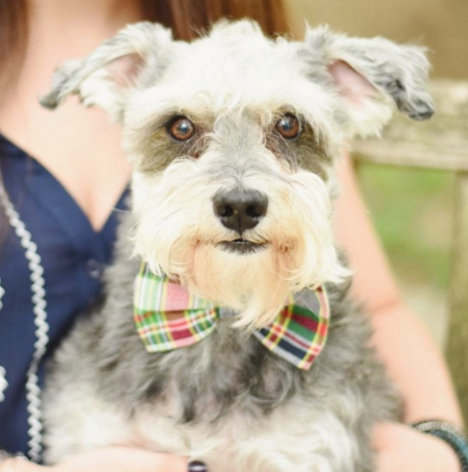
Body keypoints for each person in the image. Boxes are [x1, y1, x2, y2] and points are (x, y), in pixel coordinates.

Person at [0, 0, 463, 471]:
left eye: (286, 127)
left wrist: (441, 442)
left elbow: (382, 304)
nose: (240, 191)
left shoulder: (267, 46)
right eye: (183, 129)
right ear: (114, 86)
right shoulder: (90, 393)